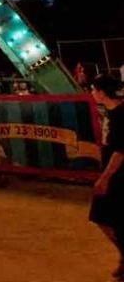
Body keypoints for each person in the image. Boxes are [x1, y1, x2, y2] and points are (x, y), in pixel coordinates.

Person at [89, 74, 124, 282]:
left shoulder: (120, 115)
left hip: (118, 175)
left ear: (102, 93)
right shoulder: (111, 113)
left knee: (107, 217)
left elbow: (121, 151)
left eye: (93, 89)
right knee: (105, 218)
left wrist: (105, 178)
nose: (92, 93)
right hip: (113, 174)